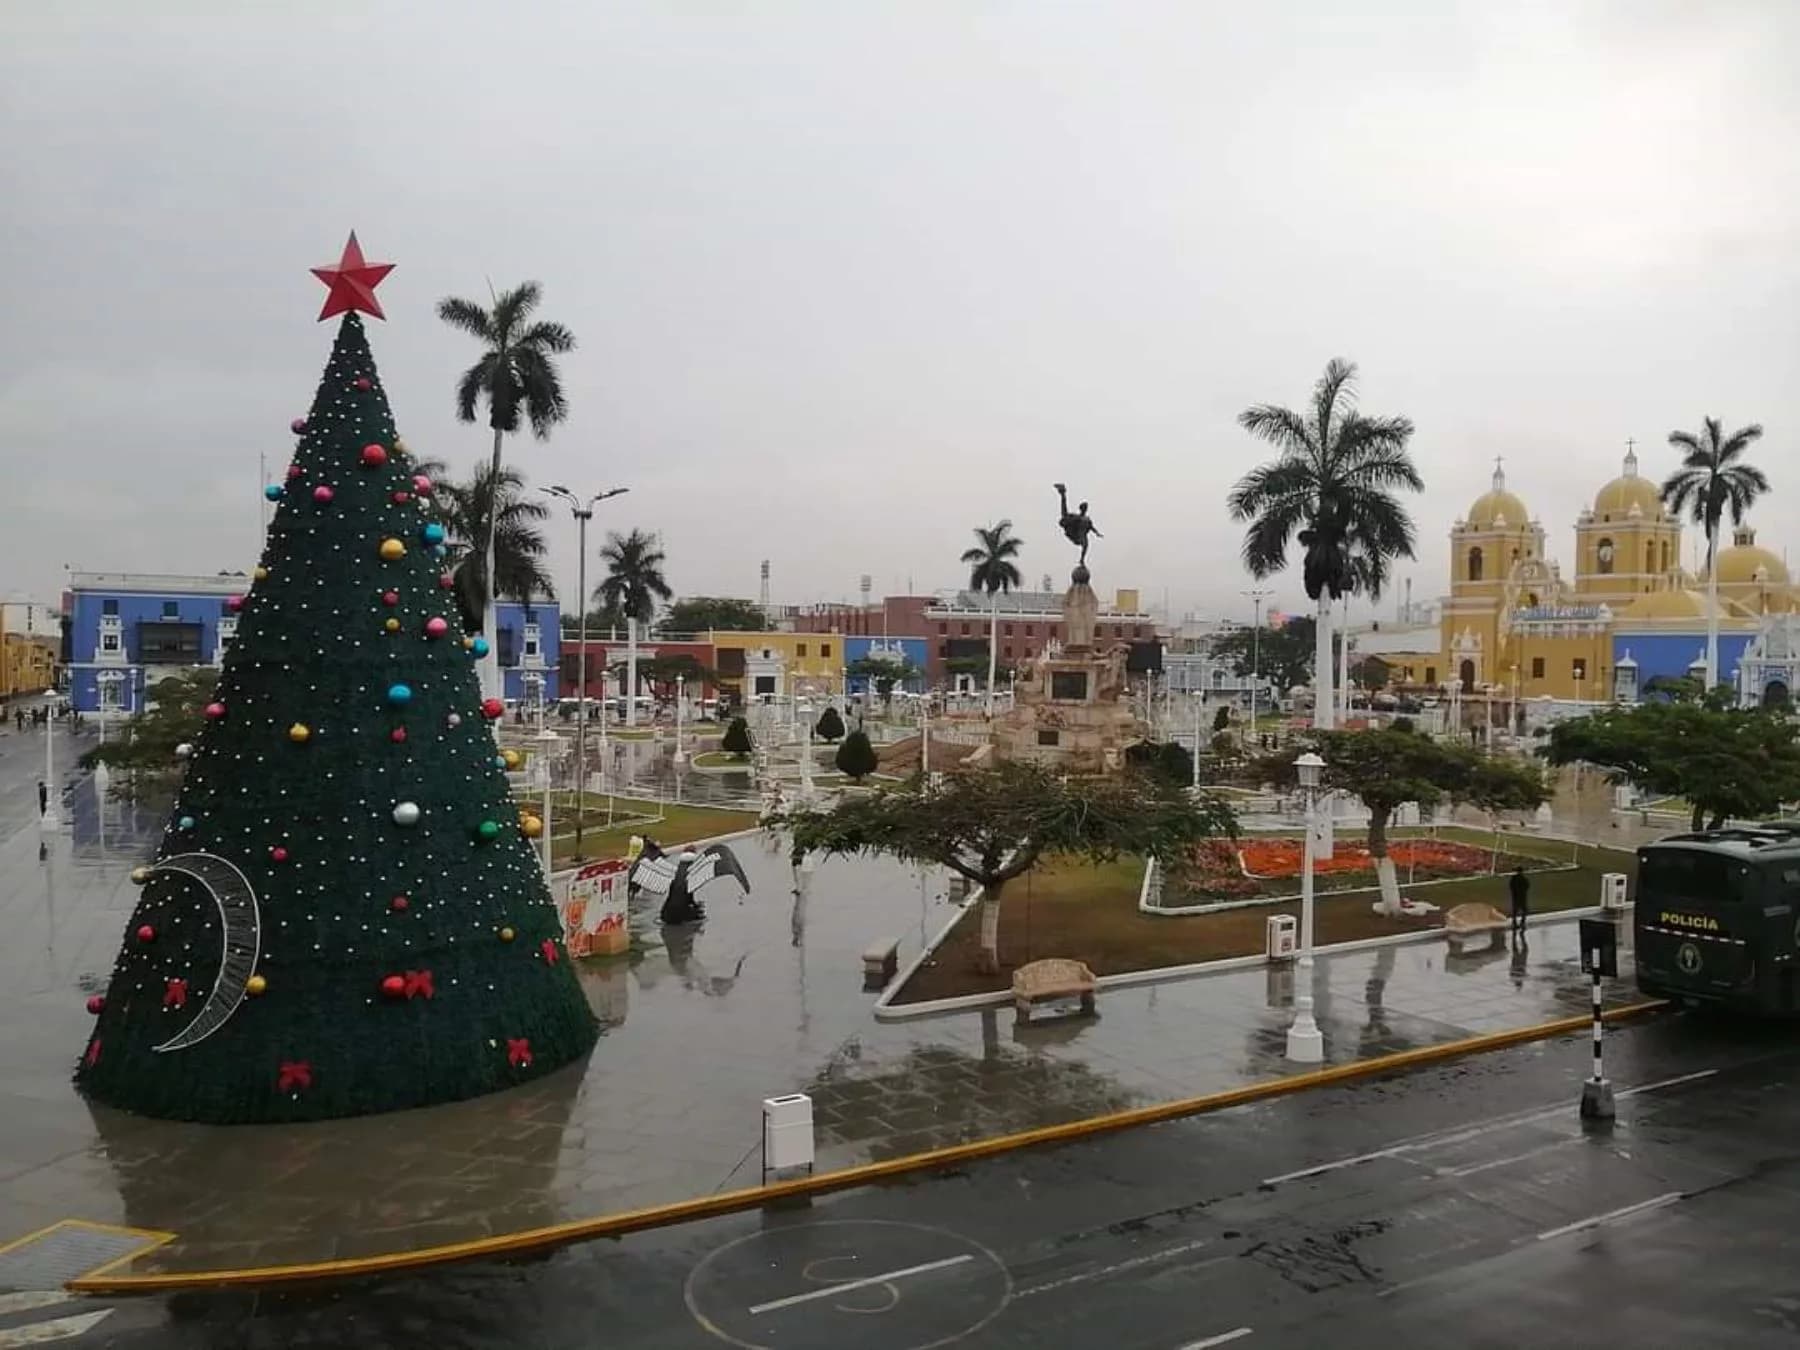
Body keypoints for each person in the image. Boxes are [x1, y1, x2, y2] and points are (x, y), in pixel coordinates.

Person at [1508, 865, 1530, 935]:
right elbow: (1527, 886)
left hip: (1515, 897)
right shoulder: (1524, 878)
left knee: (1515, 911)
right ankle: (1522, 923)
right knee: (1524, 910)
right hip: (1522, 897)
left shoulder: (1513, 878)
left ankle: (1515, 923)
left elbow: (1511, 886)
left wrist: (1514, 892)